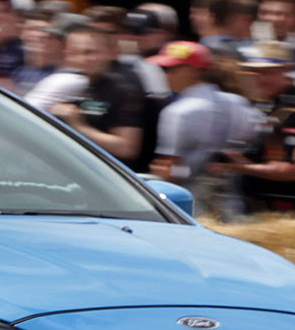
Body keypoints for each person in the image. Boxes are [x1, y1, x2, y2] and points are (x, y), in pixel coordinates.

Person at [147, 41, 252, 218]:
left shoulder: (177, 112)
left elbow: (170, 171)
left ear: (193, 70)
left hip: (188, 209)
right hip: (233, 207)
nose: (165, 75)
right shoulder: (238, 103)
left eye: (171, 69)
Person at [32, 23, 146, 166]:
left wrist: (78, 126)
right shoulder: (61, 83)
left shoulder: (123, 88)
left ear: (109, 53)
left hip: (110, 174)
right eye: (83, 53)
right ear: (68, 55)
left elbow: (127, 148)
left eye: (96, 52)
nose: (91, 58)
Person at [228, 44, 295, 214]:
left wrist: (241, 167)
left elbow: (294, 171)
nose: (262, 79)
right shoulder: (263, 104)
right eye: (257, 73)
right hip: (257, 206)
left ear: (285, 72)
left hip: (284, 210)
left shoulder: (294, 111)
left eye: (269, 73)